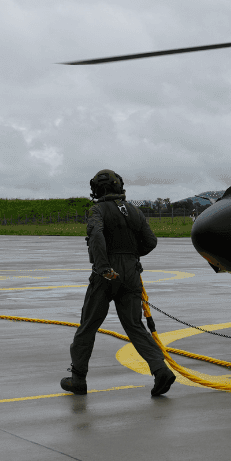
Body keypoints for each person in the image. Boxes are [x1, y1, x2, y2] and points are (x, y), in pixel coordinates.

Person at [60, 170, 176, 397]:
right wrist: (131, 258)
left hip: (106, 273)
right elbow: (151, 241)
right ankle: (160, 369)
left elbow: (96, 236)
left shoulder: (97, 210)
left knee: (88, 326)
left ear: (97, 189)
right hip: (131, 273)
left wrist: (104, 266)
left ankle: (78, 379)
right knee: (134, 325)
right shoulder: (134, 211)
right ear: (118, 186)